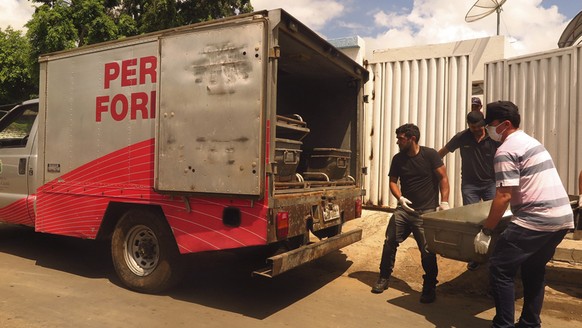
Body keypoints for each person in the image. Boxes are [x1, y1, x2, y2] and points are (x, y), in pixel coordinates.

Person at [473, 101, 574, 328]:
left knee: (499, 268)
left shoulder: (506, 150)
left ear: (505, 124)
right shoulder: (531, 141)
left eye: (491, 124)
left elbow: (503, 196)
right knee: (533, 269)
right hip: (561, 218)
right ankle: (529, 323)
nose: (487, 129)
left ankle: (504, 324)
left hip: (537, 219)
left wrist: (486, 229)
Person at [372, 123, 450, 304]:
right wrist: (400, 198)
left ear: (412, 139)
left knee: (427, 251)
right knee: (390, 241)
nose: (398, 142)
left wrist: (444, 202)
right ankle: (383, 278)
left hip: (426, 211)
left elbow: (443, 178)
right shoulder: (398, 159)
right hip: (404, 210)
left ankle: (429, 286)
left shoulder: (430, 155)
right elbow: (393, 182)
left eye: (401, 138)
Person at [439, 111, 499, 271]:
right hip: (469, 185)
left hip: (490, 183)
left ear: (484, 124)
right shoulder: (462, 137)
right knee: (472, 220)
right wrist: (430, 165)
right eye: (473, 127)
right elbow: (442, 152)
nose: (477, 130)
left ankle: (492, 253)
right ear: (469, 126)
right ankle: (475, 257)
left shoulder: (493, 138)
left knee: (492, 217)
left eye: (479, 127)